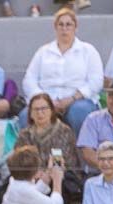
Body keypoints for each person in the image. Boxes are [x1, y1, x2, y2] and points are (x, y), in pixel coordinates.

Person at [21, 7, 103, 135]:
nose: (64, 28)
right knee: (25, 115)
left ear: (76, 27)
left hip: (77, 100)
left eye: (68, 24)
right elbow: (29, 80)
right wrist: (45, 100)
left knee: (79, 111)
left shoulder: (88, 51)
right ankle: (35, 153)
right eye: (61, 24)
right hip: (47, 101)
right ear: (55, 27)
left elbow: (96, 81)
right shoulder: (43, 52)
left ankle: (79, 152)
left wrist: (72, 98)